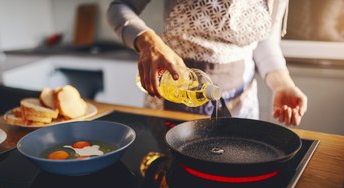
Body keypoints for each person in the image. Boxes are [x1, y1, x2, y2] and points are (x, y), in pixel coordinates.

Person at [107, 0, 308, 126]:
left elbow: (264, 38)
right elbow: (119, 6)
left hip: (241, 102)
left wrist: (283, 84)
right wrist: (147, 42)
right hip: (170, 94)